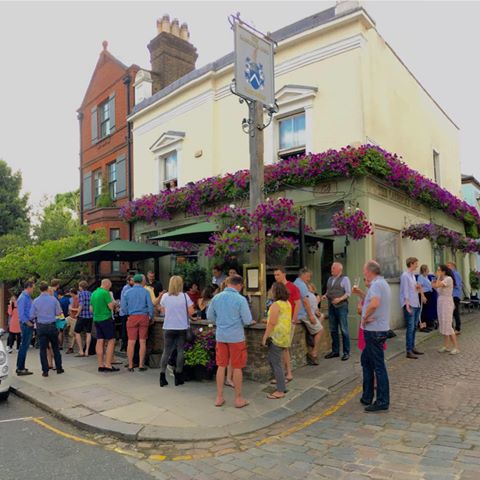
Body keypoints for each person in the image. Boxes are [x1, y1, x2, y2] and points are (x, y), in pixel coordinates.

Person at [207, 275, 252, 408]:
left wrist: (220, 322)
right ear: (239, 285)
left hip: (221, 336)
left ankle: (219, 397)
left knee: (221, 366)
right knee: (237, 367)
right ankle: (238, 399)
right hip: (236, 337)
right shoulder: (240, 299)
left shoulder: (216, 297)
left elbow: (210, 317)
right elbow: (247, 320)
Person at [360, 260, 391, 412]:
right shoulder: (381, 283)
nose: (363, 272)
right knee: (366, 361)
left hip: (374, 330)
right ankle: (367, 395)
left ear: (370, 271)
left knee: (378, 366)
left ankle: (382, 400)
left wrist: (365, 317)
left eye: (364, 270)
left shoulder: (377, 284)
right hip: (377, 329)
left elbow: (374, 303)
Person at [159, 276, 194, 387]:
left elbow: (162, 311)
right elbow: (191, 311)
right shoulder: (184, 296)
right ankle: (178, 376)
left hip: (168, 326)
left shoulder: (165, 296)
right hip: (181, 327)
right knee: (180, 351)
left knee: (166, 351)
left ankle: (162, 376)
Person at [262, 282, 292, 399]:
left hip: (276, 337)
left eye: (271, 289)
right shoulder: (287, 303)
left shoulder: (275, 305)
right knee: (275, 361)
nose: (270, 291)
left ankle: (280, 390)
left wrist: (265, 336)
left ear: (275, 292)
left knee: (275, 363)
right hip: (284, 336)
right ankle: (281, 384)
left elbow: (272, 323)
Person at [30, 282, 65, 377]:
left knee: (42, 349)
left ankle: (45, 371)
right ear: (47, 289)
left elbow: (32, 315)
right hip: (52, 325)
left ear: (40, 290)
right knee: (55, 347)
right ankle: (59, 368)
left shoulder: (36, 301)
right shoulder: (53, 299)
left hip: (41, 326)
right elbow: (59, 312)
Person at [122, 274, 154, 371]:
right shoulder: (145, 292)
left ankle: (131, 365)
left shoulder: (127, 292)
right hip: (143, 317)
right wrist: (151, 316)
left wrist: (129, 314)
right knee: (142, 341)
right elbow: (150, 306)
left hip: (132, 317)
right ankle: (141, 365)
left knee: (131, 341)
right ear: (141, 281)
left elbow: (123, 307)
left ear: (134, 281)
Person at [273, 267, 301, 380]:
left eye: (278, 274)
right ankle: (284, 373)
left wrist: (294, 318)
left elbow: (298, 303)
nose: (276, 277)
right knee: (281, 348)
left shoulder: (292, 287)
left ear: (284, 274)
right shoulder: (275, 287)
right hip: (279, 321)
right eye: (275, 275)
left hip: (288, 321)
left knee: (284, 347)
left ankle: (287, 373)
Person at [323, 262, 351, 361]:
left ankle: (346, 352)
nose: (332, 269)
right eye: (332, 268)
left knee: (344, 329)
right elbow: (329, 291)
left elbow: (348, 293)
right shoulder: (330, 279)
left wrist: (339, 299)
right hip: (331, 306)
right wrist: (325, 296)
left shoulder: (345, 279)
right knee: (333, 329)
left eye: (334, 268)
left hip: (341, 307)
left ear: (339, 269)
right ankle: (335, 351)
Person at [90, 279, 118, 372]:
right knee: (111, 340)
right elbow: (110, 307)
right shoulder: (105, 293)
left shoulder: (94, 293)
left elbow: (91, 309)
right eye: (110, 286)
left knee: (100, 340)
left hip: (96, 319)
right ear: (106, 284)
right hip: (106, 318)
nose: (110, 287)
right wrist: (115, 304)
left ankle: (100, 365)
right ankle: (108, 364)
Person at [432, 265, 460, 354]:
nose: (437, 271)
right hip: (441, 302)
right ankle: (446, 346)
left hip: (447, 302)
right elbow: (433, 285)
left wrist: (438, 277)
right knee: (443, 323)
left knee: (448, 324)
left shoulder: (448, 279)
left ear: (444, 271)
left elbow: (436, 285)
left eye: (439, 270)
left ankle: (456, 347)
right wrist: (437, 279)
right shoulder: (441, 279)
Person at [400, 257, 424, 359]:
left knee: (414, 327)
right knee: (410, 328)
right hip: (410, 305)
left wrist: (418, 287)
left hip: (416, 303)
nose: (417, 265)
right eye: (416, 264)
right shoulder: (405, 276)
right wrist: (407, 305)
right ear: (411, 264)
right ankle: (408, 350)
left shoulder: (413, 276)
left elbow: (412, 290)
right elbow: (405, 291)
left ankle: (412, 347)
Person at [16, 281, 35, 376]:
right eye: (33, 288)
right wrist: (28, 323)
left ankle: (21, 366)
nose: (33, 290)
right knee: (24, 346)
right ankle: (20, 368)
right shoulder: (22, 298)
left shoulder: (27, 297)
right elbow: (21, 313)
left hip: (29, 323)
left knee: (25, 346)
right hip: (26, 324)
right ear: (28, 287)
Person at [74, 280, 93, 357]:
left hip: (82, 315)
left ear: (81, 287)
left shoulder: (81, 294)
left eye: (79, 286)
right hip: (90, 316)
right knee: (88, 333)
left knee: (77, 332)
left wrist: (77, 314)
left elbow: (81, 305)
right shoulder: (90, 294)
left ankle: (81, 351)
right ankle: (87, 351)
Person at [417, 265, 436, 331]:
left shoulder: (426, 277)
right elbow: (420, 287)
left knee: (426, 310)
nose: (428, 270)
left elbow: (428, 285)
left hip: (429, 294)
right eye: (427, 269)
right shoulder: (420, 277)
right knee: (422, 310)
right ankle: (421, 326)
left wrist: (432, 283)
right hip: (424, 294)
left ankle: (425, 325)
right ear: (424, 270)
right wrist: (423, 296)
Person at [118, 275, 135, 352]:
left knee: (126, 330)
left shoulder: (131, 288)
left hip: (126, 312)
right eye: (132, 280)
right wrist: (127, 313)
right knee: (125, 330)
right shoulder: (127, 288)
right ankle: (124, 346)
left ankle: (125, 346)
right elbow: (124, 302)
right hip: (125, 313)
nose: (133, 282)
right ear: (128, 281)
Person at [447, 262, 462, 334]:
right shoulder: (450, 275)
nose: (447, 267)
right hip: (450, 296)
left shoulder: (456, 274)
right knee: (450, 312)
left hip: (455, 295)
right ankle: (451, 328)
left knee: (455, 312)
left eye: (448, 266)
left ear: (453, 266)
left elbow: (457, 285)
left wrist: (448, 285)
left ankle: (458, 328)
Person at [65, 288, 79, 354]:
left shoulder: (78, 299)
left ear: (73, 293)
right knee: (61, 324)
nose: (69, 294)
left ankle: (71, 347)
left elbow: (79, 309)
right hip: (70, 316)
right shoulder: (71, 299)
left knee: (72, 334)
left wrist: (71, 308)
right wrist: (69, 309)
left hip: (75, 318)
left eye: (70, 293)